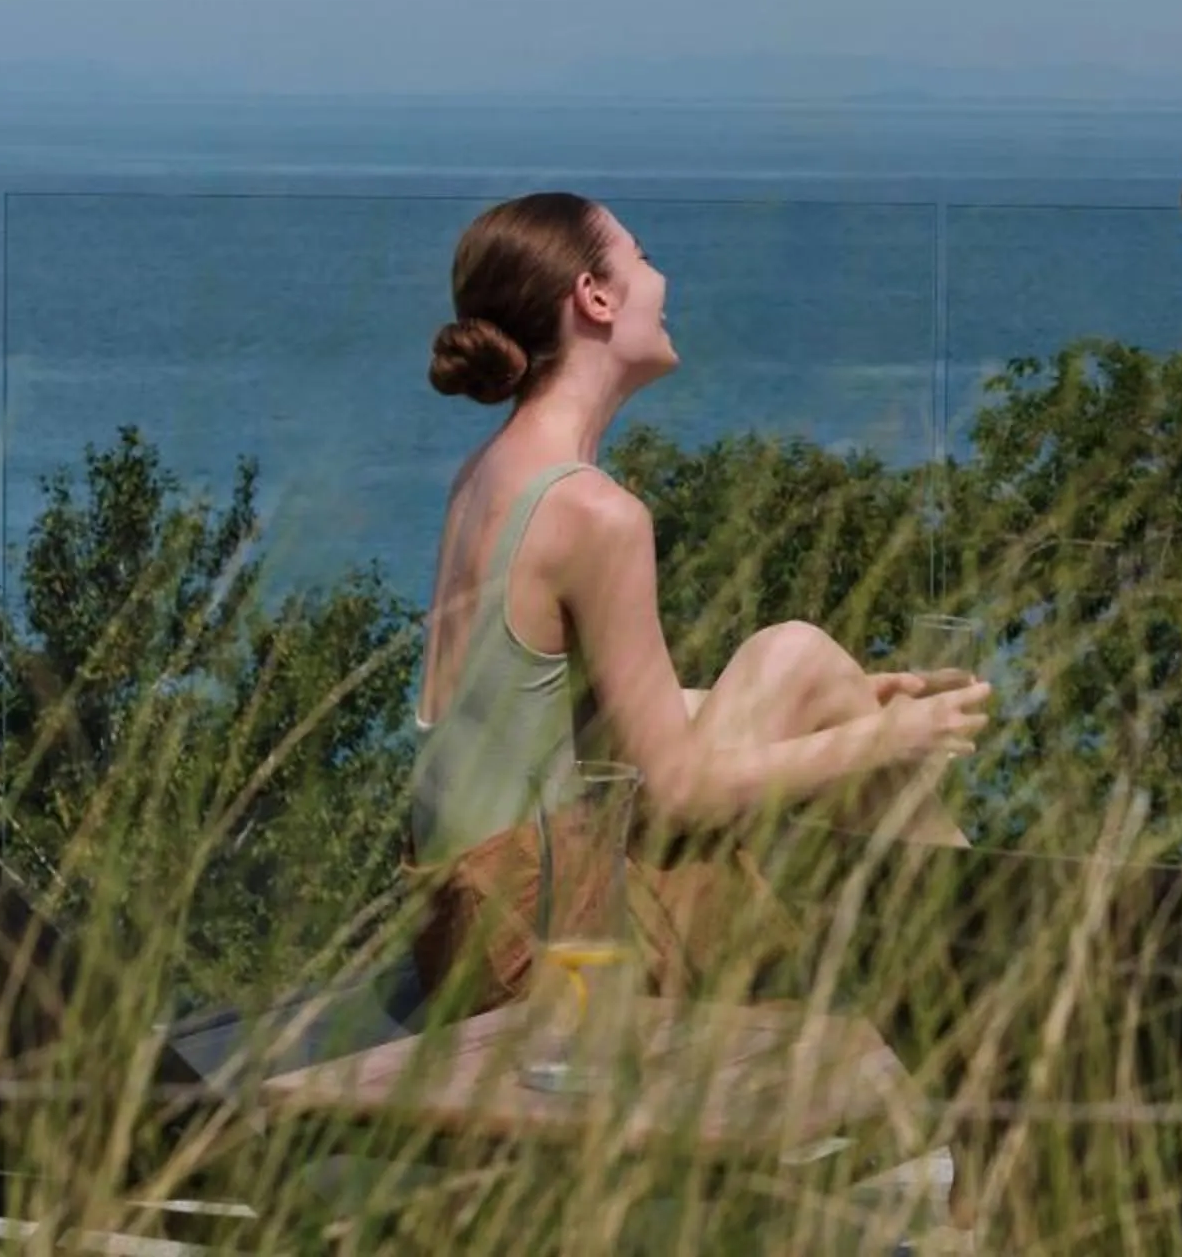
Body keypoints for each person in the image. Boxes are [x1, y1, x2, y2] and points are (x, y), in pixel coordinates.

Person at [410, 191, 990, 1002]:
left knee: (807, 673)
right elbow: (678, 795)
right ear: (595, 297)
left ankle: (983, 962)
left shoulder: (487, 474)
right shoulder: (593, 513)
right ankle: (996, 969)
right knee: (795, 654)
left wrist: (838, 705)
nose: (663, 279)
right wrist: (888, 739)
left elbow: (544, 727)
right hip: (542, 946)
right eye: (643, 258)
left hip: (459, 928)